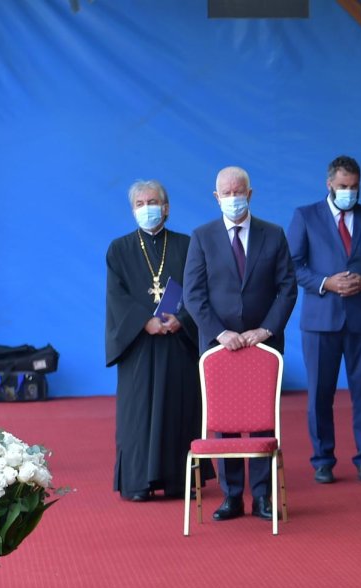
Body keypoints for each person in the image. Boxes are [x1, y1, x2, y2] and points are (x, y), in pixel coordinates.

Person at [183, 166, 297, 522]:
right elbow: (193, 294)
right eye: (226, 193)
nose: (233, 198)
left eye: (239, 192)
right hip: (221, 345)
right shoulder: (202, 237)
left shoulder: (274, 234)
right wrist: (221, 333)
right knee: (226, 420)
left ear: (250, 193)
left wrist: (265, 329)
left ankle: (263, 496)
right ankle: (232, 496)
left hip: (263, 342)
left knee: (263, 420)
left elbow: (287, 288)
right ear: (216, 197)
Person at [287, 156, 361, 485]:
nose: (349, 191)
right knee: (320, 394)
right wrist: (326, 283)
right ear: (329, 183)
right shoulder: (305, 216)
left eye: (355, 186)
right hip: (320, 321)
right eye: (343, 186)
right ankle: (322, 459)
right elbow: (293, 265)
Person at [105, 180, 204, 501]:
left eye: (153, 202)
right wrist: (143, 322)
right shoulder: (119, 249)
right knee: (138, 415)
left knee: (179, 410)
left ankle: (179, 480)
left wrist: (183, 319)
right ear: (133, 210)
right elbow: (115, 297)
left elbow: (199, 292)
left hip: (178, 343)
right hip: (139, 346)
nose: (147, 208)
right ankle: (137, 483)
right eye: (140, 203)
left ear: (166, 207)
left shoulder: (187, 245)